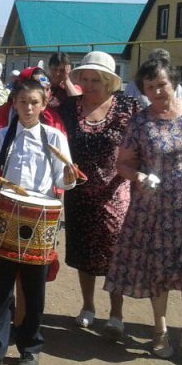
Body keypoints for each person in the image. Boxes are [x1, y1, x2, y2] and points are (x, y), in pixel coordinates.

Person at [105, 57, 182, 365]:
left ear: (175, 82)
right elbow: (124, 163)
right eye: (150, 87)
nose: (157, 91)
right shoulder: (140, 122)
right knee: (160, 273)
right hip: (154, 211)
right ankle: (160, 330)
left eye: (162, 85)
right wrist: (138, 176)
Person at [0, 78, 78, 365]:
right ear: (14, 104)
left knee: (34, 290)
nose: (28, 107)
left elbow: (62, 181)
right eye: (23, 102)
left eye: (34, 102)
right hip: (8, 216)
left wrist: (70, 176)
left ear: (44, 105)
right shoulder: (2, 137)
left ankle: (30, 349)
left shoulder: (55, 138)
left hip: (41, 219)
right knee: (2, 288)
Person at [57, 52, 139, 338]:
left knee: (115, 253)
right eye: (85, 79)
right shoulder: (68, 108)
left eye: (96, 80)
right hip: (78, 193)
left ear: (109, 81)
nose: (89, 85)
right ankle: (88, 306)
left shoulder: (128, 107)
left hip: (116, 192)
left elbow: (143, 143)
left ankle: (116, 313)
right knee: (83, 251)